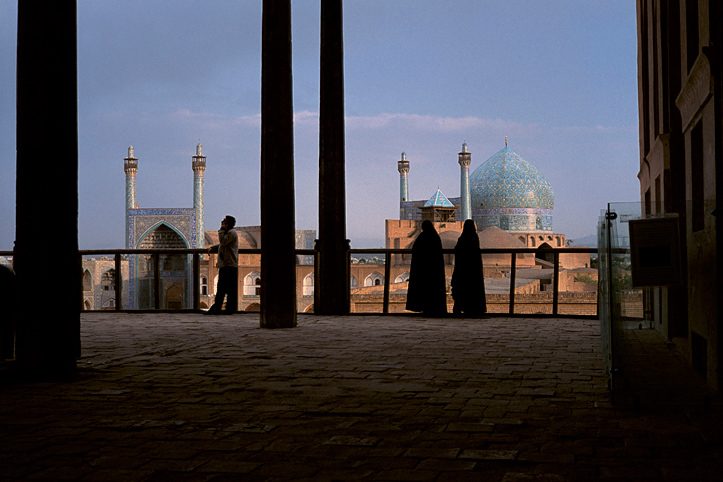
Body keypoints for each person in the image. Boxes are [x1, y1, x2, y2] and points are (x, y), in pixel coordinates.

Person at [405, 220, 447, 316]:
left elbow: (416, 253)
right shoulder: (435, 237)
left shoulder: (421, 238)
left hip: (422, 271)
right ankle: (434, 308)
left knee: (423, 289)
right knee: (433, 290)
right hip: (434, 271)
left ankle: (422, 307)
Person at [451, 219, 486, 317]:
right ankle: (473, 309)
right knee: (473, 290)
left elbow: (458, 250)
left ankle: (461, 309)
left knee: (461, 290)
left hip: (462, 270)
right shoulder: (475, 237)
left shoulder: (462, 238)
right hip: (473, 271)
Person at [206, 215, 239, 315]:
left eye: (224, 222)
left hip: (229, 265)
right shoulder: (228, 233)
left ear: (227, 223)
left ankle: (225, 309)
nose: (221, 222)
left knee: (226, 289)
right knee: (223, 288)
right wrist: (213, 248)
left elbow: (223, 242)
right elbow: (222, 245)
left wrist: (220, 230)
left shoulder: (232, 232)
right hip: (226, 264)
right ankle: (222, 308)